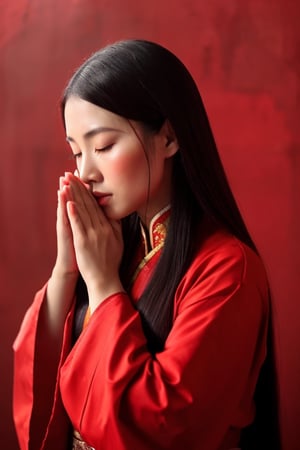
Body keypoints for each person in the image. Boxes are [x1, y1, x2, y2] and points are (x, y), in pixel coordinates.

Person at [13, 39, 278, 450]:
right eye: (76, 153)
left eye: (102, 146)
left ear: (169, 138)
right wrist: (67, 269)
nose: (87, 172)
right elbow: (39, 383)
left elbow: (164, 425)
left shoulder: (228, 270)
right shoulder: (117, 246)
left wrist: (103, 287)